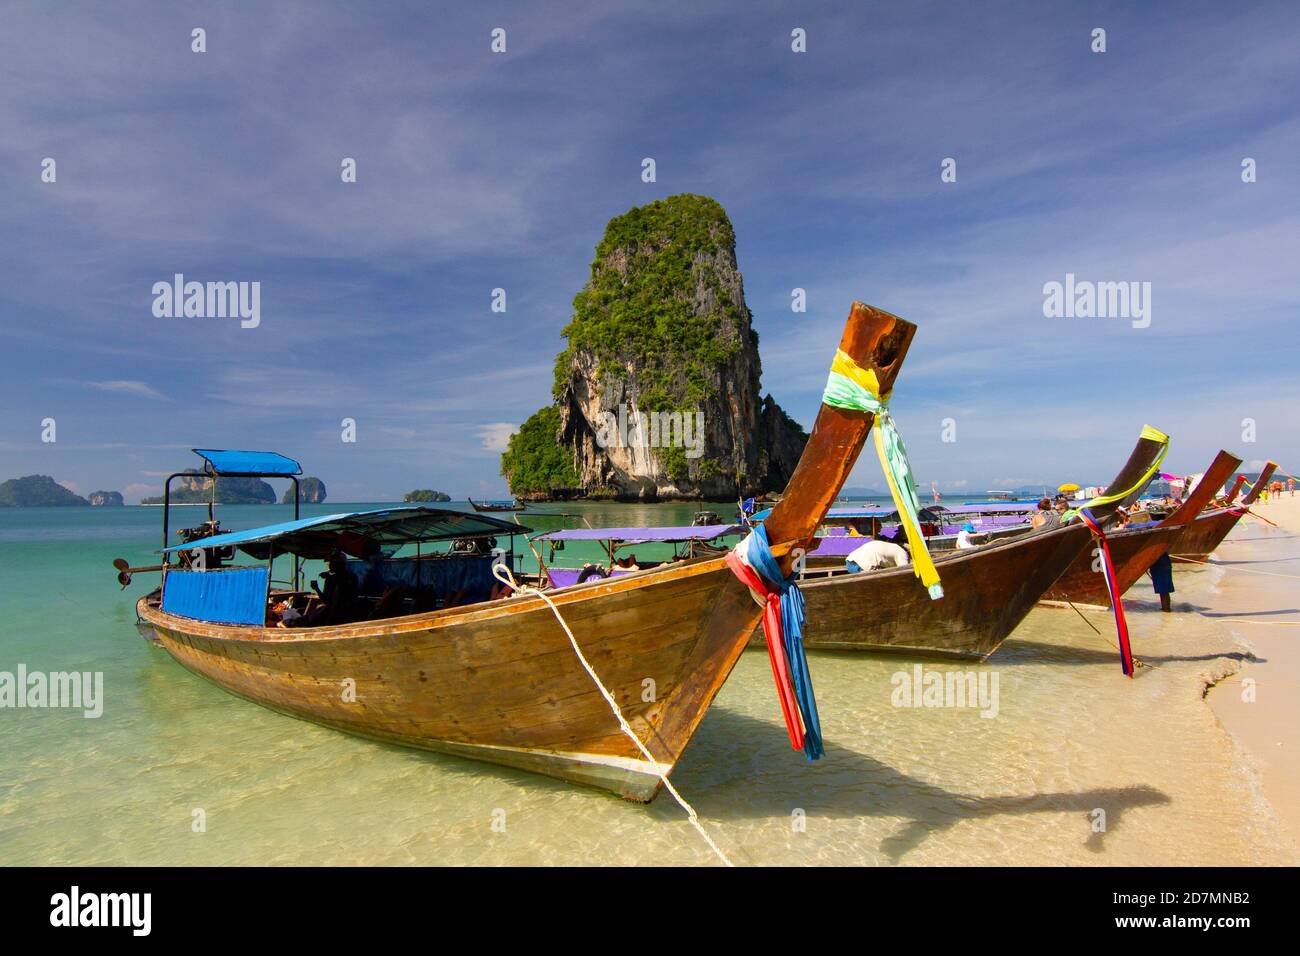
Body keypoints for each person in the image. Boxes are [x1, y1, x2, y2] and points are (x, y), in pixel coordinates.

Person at [308, 551, 359, 625]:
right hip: (350, 614)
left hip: (335, 616)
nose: (329, 565)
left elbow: (326, 601)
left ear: (339, 564)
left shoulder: (332, 579)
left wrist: (316, 588)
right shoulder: (353, 577)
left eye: (331, 563)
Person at [845, 538, 909, 572]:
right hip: (861, 565)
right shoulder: (902, 552)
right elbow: (903, 570)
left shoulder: (893, 546)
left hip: (850, 561)